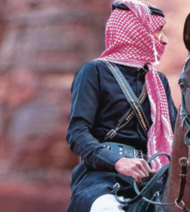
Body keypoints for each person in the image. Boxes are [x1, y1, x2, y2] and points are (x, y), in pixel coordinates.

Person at [66, 1, 177, 211]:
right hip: (102, 178)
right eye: (159, 31)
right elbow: (77, 134)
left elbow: (176, 134)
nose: (165, 39)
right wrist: (118, 161)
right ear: (137, 32)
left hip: (155, 179)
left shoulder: (158, 81)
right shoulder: (94, 72)